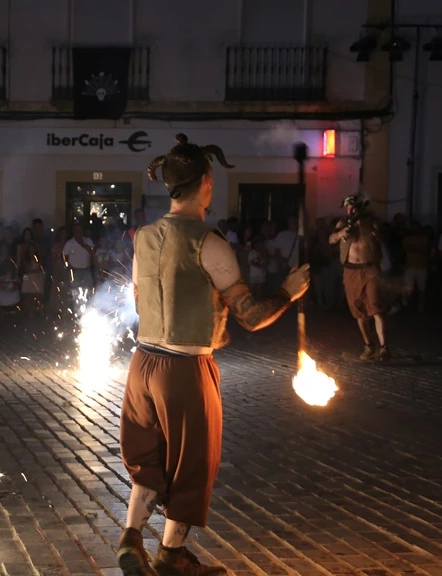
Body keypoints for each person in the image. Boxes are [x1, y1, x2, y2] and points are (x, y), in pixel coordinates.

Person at [118, 134, 310, 576]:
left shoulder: (144, 237)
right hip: (185, 368)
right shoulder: (210, 242)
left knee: (149, 459)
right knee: (194, 464)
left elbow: (137, 296)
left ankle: (131, 539)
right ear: (206, 181)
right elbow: (252, 316)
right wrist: (288, 291)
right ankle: (171, 556)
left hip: (142, 364)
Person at [329, 196, 390, 360]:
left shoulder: (372, 222)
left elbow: (385, 238)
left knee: (376, 307)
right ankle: (369, 345)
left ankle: (384, 347)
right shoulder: (343, 223)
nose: (350, 210)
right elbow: (331, 239)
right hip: (351, 271)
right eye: (347, 207)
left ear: (360, 207)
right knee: (358, 311)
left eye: (353, 207)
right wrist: (341, 233)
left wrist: (375, 232)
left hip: (370, 269)